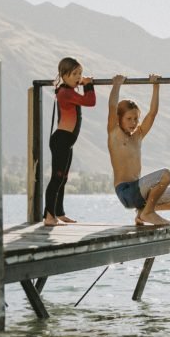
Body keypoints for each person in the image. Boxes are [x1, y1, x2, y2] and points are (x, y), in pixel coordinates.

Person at [108, 74, 170, 226]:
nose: (133, 123)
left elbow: (152, 114)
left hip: (139, 191)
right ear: (119, 119)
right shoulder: (114, 134)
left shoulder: (138, 135)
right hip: (125, 191)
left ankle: (142, 213)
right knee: (165, 175)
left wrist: (156, 86)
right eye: (129, 119)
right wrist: (116, 85)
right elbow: (112, 107)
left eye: (136, 119)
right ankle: (148, 212)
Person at [44, 57, 96, 226]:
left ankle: (59, 213)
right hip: (61, 140)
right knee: (56, 179)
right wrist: (88, 85)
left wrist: (82, 83)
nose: (78, 77)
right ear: (64, 75)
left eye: (80, 73)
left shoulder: (67, 90)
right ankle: (49, 216)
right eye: (74, 74)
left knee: (63, 178)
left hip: (67, 142)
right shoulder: (66, 92)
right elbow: (90, 101)